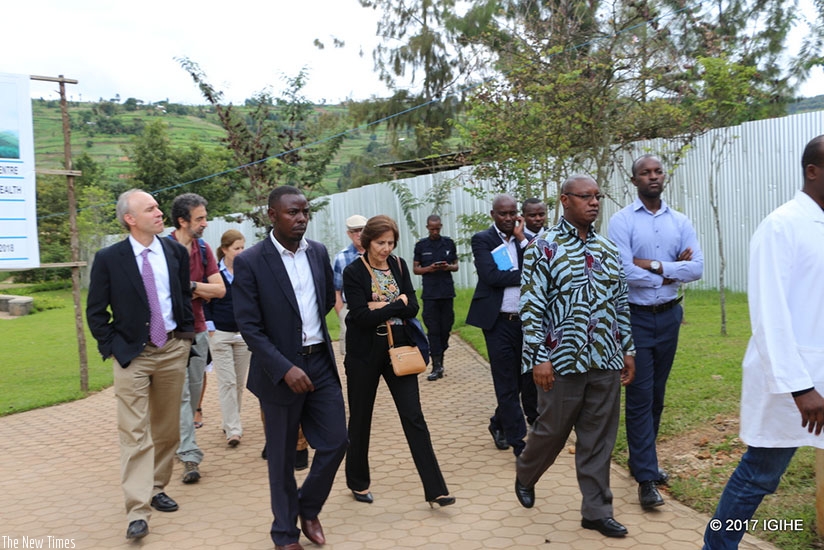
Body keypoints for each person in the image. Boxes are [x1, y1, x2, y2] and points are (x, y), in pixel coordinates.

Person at [703, 135, 824, 549]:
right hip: (795, 381)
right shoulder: (781, 225)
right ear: (813, 171)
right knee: (760, 474)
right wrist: (801, 388)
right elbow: (769, 315)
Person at [515, 175, 636, 538]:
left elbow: (620, 303)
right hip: (560, 360)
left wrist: (628, 349)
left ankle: (596, 512)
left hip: (605, 358)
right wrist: (538, 357)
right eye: (585, 196)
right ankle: (526, 472)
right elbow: (531, 307)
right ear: (565, 200)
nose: (594, 202)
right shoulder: (543, 247)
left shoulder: (607, 249)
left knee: (598, 438)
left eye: (597, 196)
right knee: (552, 430)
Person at [233, 186, 348, 550]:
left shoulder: (318, 252)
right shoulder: (251, 261)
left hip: (320, 363)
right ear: (272, 215)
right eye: (292, 212)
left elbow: (325, 300)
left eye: (304, 212)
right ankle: (284, 534)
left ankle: (307, 508)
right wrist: (285, 366)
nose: (301, 218)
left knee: (336, 441)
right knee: (282, 458)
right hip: (278, 372)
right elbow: (249, 326)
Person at [86, 189, 194, 540]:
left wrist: (186, 338)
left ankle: (157, 487)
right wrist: (112, 347)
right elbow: (96, 311)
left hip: (172, 350)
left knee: (167, 429)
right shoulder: (109, 258)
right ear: (130, 219)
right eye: (150, 209)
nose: (159, 212)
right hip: (132, 355)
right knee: (134, 432)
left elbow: (182, 297)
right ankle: (137, 510)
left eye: (158, 207)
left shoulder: (175, 252)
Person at [608, 154, 704, 509]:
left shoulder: (680, 221)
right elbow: (622, 271)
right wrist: (672, 270)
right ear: (634, 180)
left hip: (669, 316)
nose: (653, 176)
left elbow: (697, 269)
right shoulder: (621, 221)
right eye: (645, 172)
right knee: (640, 395)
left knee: (657, 394)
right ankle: (646, 478)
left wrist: (652, 265)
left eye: (658, 171)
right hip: (635, 317)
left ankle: (642, 461)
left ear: (664, 177)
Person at [343, 214, 455, 508]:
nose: (386, 248)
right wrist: (396, 304)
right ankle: (358, 482)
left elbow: (413, 306)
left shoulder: (400, 265)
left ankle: (436, 490)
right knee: (360, 418)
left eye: (391, 243)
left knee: (414, 416)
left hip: (400, 349)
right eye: (380, 242)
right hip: (363, 354)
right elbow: (360, 316)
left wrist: (383, 306)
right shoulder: (353, 272)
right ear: (367, 241)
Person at [167, 193, 225, 484]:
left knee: (191, 393)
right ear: (182, 221)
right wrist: (202, 290)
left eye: (205, 217)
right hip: (168, 334)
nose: (205, 223)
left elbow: (220, 290)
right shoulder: (162, 249)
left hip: (199, 330)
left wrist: (189, 286)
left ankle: (178, 443)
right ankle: (189, 455)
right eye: (200, 218)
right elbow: (163, 291)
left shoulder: (203, 250)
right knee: (180, 396)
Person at [466, 194, 528, 456]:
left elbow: (541, 265)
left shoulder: (524, 240)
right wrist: (527, 276)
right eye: (503, 213)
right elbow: (491, 276)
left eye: (513, 213)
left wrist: (522, 237)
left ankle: (498, 423)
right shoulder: (483, 239)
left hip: (524, 323)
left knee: (522, 382)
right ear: (493, 214)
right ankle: (520, 444)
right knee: (506, 383)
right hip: (497, 322)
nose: (508, 218)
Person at [204, 229, 250, 447]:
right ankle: (233, 429)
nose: (240, 252)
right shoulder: (214, 274)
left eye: (242, 248)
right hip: (220, 334)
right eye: (236, 248)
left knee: (238, 383)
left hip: (243, 335)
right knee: (227, 382)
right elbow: (206, 301)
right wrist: (210, 327)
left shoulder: (246, 272)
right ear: (224, 250)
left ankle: (230, 421)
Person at [413, 214, 458, 381]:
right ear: (427, 228)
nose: (435, 231)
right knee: (433, 330)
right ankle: (436, 365)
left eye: (437, 229)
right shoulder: (421, 245)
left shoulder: (449, 243)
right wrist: (429, 269)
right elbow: (416, 269)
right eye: (432, 229)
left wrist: (447, 267)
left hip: (446, 292)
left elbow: (456, 266)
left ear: (441, 226)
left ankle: (441, 352)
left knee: (446, 327)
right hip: (430, 294)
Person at [520, 197, 547, 425]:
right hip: (527, 312)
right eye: (532, 215)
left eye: (541, 214)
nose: (537, 219)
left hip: (550, 314)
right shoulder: (517, 238)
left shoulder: (553, 237)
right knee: (530, 365)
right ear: (523, 217)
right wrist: (521, 239)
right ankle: (532, 414)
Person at [332, 214, 367, 355]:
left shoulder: (378, 253)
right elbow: (336, 290)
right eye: (354, 231)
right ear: (349, 234)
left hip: (375, 307)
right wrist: (342, 314)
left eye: (361, 230)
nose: (359, 234)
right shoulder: (341, 258)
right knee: (351, 353)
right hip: (350, 309)